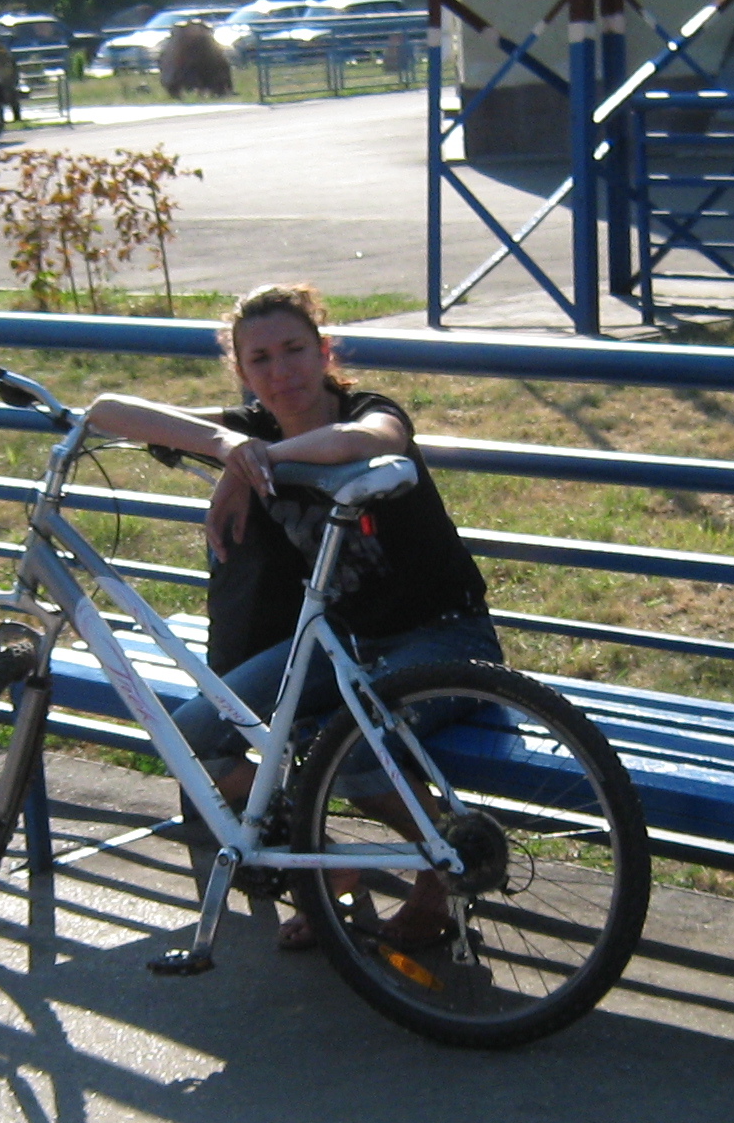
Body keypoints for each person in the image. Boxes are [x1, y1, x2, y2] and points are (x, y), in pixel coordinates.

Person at [85, 283, 497, 949]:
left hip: (445, 635)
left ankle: (441, 874)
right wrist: (226, 446)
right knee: (192, 738)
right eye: (260, 360)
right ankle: (326, 870)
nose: (281, 372)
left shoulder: (365, 409)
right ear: (242, 372)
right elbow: (106, 409)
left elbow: (371, 439)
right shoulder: (249, 432)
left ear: (324, 351)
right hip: (345, 644)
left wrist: (256, 462)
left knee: (352, 750)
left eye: (295, 350)